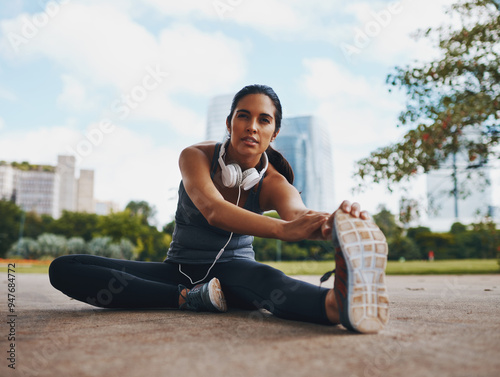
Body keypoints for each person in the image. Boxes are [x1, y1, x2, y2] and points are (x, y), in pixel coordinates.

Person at [49, 84, 389, 334]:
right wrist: (282, 230)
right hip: (178, 271)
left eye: (263, 120)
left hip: (234, 274)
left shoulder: (272, 182)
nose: (252, 126)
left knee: (266, 279)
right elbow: (212, 209)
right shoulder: (195, 157)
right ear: (229, 123)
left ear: (274, 132)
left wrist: (332, 223)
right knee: (66, 267)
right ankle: (187, 298)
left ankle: (335, 304)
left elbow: (298, 214)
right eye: (244, 116)